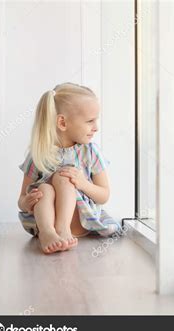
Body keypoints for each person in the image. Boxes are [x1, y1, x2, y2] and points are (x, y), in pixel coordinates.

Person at [17, 82, 121, 254]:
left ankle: (62, 228)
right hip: (43, 223)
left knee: (63, 177)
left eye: (96, 120)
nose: (96, 127)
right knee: (43, 188)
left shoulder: (90, 152)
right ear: (62, 122)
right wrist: (27, 202)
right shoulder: (38, 153)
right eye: (90, 121)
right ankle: (49, 233)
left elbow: (104, 195)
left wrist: (82, 183)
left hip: (79, 223)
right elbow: (21, 199)